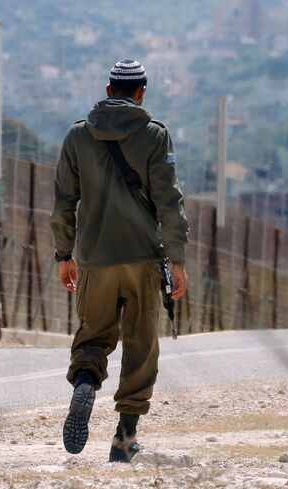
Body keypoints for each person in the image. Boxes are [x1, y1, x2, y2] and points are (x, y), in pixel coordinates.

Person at [50, 59, 189, 462]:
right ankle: (124, 440)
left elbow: (63, 203)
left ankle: (87, 381)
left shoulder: (78, 136)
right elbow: (170, 203)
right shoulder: (154, 136)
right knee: (141, 344)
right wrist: (177, 260)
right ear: (141, 92)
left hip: (94, 260)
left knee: (93, 334)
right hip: (144, 259)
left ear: (108, 91)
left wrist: (64, 255)